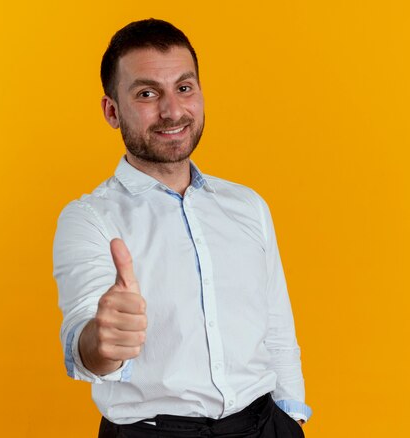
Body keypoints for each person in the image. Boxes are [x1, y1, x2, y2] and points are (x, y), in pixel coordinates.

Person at [53, 18, 312, 437]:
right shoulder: (89, 219)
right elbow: (83, 340)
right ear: (112, 111)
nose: (173, 110)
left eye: (184, 88)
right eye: (147, 93)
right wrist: (101, 344)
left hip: (263, 425)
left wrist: (292, 415)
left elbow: (277, 328)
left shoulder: (247, 206)